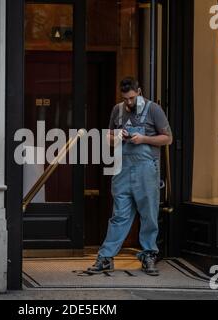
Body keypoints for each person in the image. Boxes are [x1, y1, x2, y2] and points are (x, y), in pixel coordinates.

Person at [88, 77, 173, 276]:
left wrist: (143, 138)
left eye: (132, 98)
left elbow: (168, 138)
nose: (128, 102)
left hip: (146, 169)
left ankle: (149, 255)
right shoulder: (117, 110)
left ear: (139, 91)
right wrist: (118, 136)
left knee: (149, 214)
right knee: (119, 215)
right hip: (122, 169)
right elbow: (108, 138)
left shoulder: (154, 110)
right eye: (125, 98)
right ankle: (106, 257)